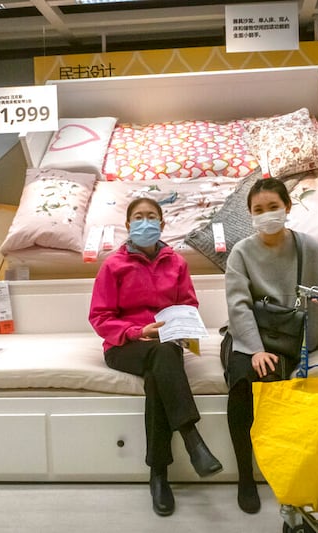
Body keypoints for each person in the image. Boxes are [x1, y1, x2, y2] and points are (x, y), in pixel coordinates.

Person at [223, 177, 318, 514]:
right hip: (247, 338)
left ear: (287, 207)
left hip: (288, 340)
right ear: (250, 214)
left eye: (273, 207)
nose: (267, 214)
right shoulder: (241, 252)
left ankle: (282, 471)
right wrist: (255, 350)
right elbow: (238, 306)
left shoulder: (308, 246)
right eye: (258, 210)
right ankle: (246, 475)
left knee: (273, 387)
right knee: (242, 386)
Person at [88, 197, 223, 518]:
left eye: (151, 217)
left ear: (162, 226)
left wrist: (185, 334)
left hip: (166, 344)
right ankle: (192, 440)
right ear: (128, 225)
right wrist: (137, 332)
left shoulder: (176, 263)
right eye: (138, 217)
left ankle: (158, 474)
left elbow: (188, 305)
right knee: (161, 356)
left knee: (158, 372)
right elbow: (100, 318)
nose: (145, 222)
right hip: (125, 346)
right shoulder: (113, 265)